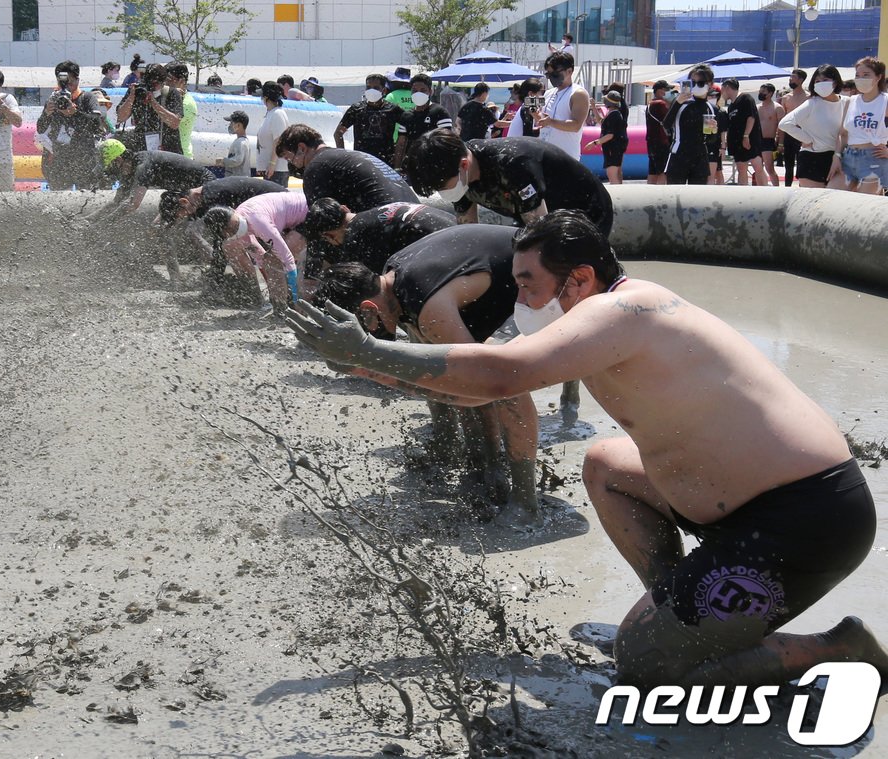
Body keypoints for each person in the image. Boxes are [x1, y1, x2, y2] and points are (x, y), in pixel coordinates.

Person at [288, 209, 887, 691]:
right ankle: (673, 606)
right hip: (737, 508)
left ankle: (839, 648)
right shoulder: (602, 314)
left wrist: (369, 351)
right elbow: (479, 396)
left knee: (645, 669)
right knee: (605, 463)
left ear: (579, 279)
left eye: (526, 283)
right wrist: (371, 369)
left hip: (804, 520)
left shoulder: (623, 310)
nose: (516, 295)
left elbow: (499, 377)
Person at [307, 224, 544, 521]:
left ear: (367, 310)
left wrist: (365, 365)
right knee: (464, 371)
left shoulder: (428, 308)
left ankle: (525, 501)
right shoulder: (392, 280)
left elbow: (481, 381)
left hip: (554, 277)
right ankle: (484, 465)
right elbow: (447, 377)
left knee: (505, 383)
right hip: (516, 271)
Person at [405, 130, 613, 236]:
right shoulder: (458, 173)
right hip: (530, 214)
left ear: (464, 165)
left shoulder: (512, 164)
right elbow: (468, 230)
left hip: (586, 211)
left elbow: (540, 230)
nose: (443, 192)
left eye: (442, 186)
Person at [201, 190, 309, 311]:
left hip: (308, 210)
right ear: (224, 233)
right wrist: (271, 285)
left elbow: (287, 258)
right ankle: (278, 305)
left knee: (275, 259)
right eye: (230, 231)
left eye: (235, 225)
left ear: (232, 210)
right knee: (269, 260)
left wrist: (295, 297)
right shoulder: (239, 224)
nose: (235, 230)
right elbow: (260, 259)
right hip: (287, 217)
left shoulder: (259, 222)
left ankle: (295, 303)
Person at [276, 124, 417, 212]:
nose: (292, 164)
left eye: (289, 158)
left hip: (392, 219)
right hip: (417, 212)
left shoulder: (316, 166)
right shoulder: (346, 155)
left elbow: (321, 219)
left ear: (301, 148)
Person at [297, 198, 456, 274]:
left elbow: (375, 289)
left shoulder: (355, 236)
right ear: (344, 208)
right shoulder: (372, 215)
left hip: (448, 249)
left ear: (329, 236)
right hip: (460, 230)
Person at [36, 60, 107, 191]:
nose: (67, 86)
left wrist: (75, 113)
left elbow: (97, 124)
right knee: (60, 199)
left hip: (83, 157)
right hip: (59, 158)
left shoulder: (87, 98)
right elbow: (40, 129)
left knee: (86, 198)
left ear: (77, 80)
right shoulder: (53, 99)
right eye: (63, 83)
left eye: (70, 82)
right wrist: (47, 113)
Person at [779, 64, 848, 190]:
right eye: (817, 81)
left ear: (835, 82)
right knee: (814, 202)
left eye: (825, 80)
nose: (821, 84)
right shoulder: (812, 103)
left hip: (840, 157)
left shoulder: (847, 102)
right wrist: (807, 139)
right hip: (813, 158)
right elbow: (785, 123)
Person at [100, 143, 215, 217]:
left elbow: (134, 204)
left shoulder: (142, 166)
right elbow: (116, 202)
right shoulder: (129, 168)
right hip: (188, 191)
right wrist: (88, 220)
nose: (111, 171)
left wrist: (106, 222)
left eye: (110, 166)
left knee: (191, 231)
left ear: (118, 160)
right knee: (158, 226)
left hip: (205, 186)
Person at [838, 56, 888, 195]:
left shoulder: (885, 101)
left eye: (866, 75)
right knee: (835, 197)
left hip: (873, 158)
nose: (860, 78)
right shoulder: (851, 101)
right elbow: (843, 133)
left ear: (878, 77)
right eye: (857, 75)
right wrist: (836, 156)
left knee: (863, 205)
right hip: (848, 157)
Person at [662, 64, 719, 186]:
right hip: (679, 155)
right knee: (675, 197)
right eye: (692, 82)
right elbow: (666, 125)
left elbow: (710, 140)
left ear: (709, 84)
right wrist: (677, 103)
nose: (696, 85)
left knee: (697, 199)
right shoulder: (681, 103)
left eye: (700, 83)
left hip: (700, 157)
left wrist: (713, 130)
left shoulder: (711, 108)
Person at [158, 175, 286, 226]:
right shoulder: (207, 193)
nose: (188, 216)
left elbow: (221, 238)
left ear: (184, 202)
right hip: (274, 204)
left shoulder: (213, 199)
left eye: (184, 214)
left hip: (282, 204)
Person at [335, 74, 405, 165]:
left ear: (383, 90)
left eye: (376, 88)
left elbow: (409, 127)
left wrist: (398, 160)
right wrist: (343, 158)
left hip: (386, 161)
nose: (372, 90)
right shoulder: (356, 109)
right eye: (368, 87)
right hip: (361, 161)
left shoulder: (392, 109)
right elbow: (338, 133)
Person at [115, 62, 182, 154]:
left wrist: (154, 103)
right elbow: (120, 118)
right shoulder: (137, 91)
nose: (150, 87)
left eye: (154, 84)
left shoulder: (171, 94)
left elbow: (174, 123)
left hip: (167, 149)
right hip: (141, 148)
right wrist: (132, 96)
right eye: (147, 83)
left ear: (163, 82)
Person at [391, 74, 453, 172]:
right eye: (414, 91)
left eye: (423, 90)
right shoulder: (407, 116)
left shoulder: (440, 112)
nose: (418, 93)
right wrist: (397, 168)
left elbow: (447, 142)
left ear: (430, 92)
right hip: (412, 167)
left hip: (434, 166)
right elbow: (401, 144)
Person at [536, 51, 587, 160]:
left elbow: (576, 125)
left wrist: (550, 121)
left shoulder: (578, 94)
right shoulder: (549, 93)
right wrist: (536, 114)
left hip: (566, 159)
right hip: (545, 155)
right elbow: (544, 121)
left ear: (569, 71)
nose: (551, 78)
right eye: (548, 74)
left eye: (555, 74)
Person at [721, 79, 767, 186]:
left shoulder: (745, 98)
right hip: (737, 143)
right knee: (741, 168)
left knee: (757, 166)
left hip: (750, 139)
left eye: (722, 89)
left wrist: (746, 135)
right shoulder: (731, 106)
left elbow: (751, 117)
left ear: (727, 87)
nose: (721, 92)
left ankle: (765, 192)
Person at [587, 86, 628, 185]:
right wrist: (593, 107)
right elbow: (601, 122)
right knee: (616, 174)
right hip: (615, 148)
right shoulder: (613, 114)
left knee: (612, 176)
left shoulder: (614, 115)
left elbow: (610, 135)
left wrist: (594, 143)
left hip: (612, 149)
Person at [778, 69, 810, 186]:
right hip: (789, 134)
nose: (790, 79)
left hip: (803, 134)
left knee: (802, 163)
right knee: (788, 165)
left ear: (801, 80)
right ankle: (787, 187)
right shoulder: (786, 98)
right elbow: (782, 121)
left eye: (793, 77)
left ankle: (802, 187)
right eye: (790, 77)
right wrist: (780, 142)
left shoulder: (809, 97)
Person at [255, 82, 291, 186]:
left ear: (267, 98)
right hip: (271, 169)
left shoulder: (277, 114)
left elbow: (278, 140)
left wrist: (272, 164)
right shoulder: (270, 113)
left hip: (277, 169)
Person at [167, 62, 198, 160]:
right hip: (173, 155)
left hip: (182, 158)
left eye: (168, 80)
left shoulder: (186, 103)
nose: (164, 83)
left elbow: (166, 121)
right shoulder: (173, 98)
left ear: (181, 81)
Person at [757, 83, 785, 186]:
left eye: (763, 92)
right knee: (758, 168)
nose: (760, 93)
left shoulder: (777, 108)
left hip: (768, 141)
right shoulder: (757, 107)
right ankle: (761, 188)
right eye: (760, 91)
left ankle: (776, 189)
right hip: (757, 141)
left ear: (770, 93)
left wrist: (781, 144)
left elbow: (782, 127)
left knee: (769, 168)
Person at [645, 80, 672, 185]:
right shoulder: (660, 104)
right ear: (659, 91)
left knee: (652, 171)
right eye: (666, 89)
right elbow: (669, 118)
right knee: (662, 172)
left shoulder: (650, 103)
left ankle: (649, 194)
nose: (668, 92)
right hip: (661, 141)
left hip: (651, 141)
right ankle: (661, 195)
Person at [706, 85, 728, 185]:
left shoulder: (721, 112)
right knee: (714, 172)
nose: (712, 98)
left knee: (717, 172)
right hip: (705, 144)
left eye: (715, 96)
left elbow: (723, 131)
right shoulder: (704, 110)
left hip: (715, 145)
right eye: (710, 96)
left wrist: (723, 147)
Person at [220, 110, 252, 177]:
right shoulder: (243, 141)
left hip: (238, 181)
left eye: (232, 123)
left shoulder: (240, 142)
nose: (230, 125)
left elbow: (237, 160)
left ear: (238, 125)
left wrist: (223, 161)